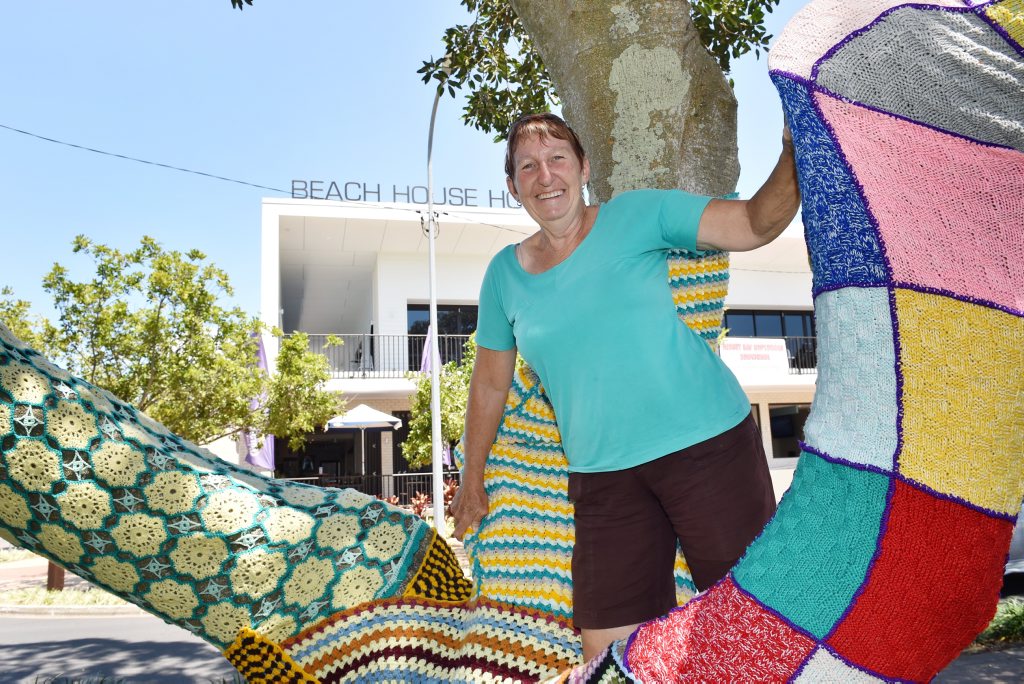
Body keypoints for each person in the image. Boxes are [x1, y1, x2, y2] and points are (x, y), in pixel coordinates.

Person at [450, 112, 799, 660]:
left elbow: (754, 224)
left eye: (558, 158)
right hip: (602, 479)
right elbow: (490, 387)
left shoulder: (637, 214)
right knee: (608, 657)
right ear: (513, 185)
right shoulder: (504, 276)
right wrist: (472, 479)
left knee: (755, 625)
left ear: (584, 167)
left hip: (707, 448)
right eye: (528, 166)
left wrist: (792, 156)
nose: (546, 175)